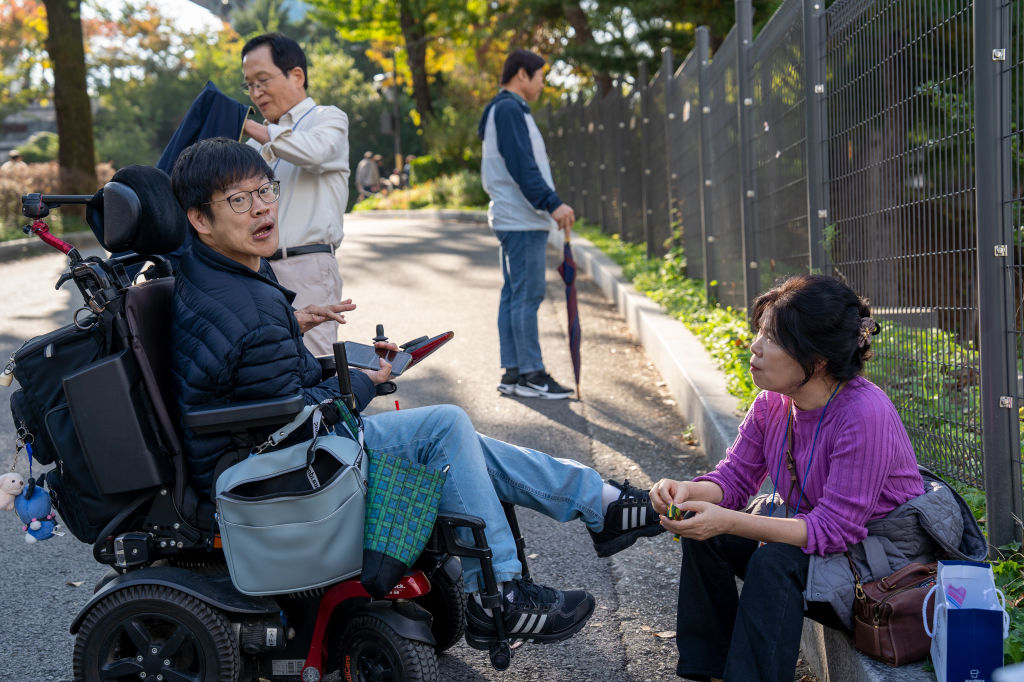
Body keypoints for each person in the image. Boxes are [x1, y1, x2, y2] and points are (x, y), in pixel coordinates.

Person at [168, 137, 666, 651]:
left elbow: (271, 383)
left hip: (261, 443)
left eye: (265, 191)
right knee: (445, 427)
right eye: (238, 200)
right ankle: (504, 591)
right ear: (201, 220)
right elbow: (288, 418)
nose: (261, 207)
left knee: (453, 439)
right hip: (263, 467)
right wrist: (364, 382)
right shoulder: (244, 299)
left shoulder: (223, 275)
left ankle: (597, 505)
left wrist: (342, 363)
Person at [648, 274, 985, 682]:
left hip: (880, 561)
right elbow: (734, 480)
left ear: (817, 358)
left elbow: (837, 529)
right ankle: (712, 672)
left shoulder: (864, 414)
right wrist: (685, 491)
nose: (755, 347)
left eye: (771, 338)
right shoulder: (772, 403)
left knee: (775, 560)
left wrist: (730, 519)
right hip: (821, 542)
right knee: (708, 537)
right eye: (759, 333)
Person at [241, 32, 349, 357]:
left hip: (306, 265)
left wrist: (248, 127)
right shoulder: (253, 146)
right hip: (258, 272)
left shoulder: (327, 119)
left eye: (262, 81)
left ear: (297, 75)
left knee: (316, 368)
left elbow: (315, 152)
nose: (256, 93)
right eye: (249, 85)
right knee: (273, 369)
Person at [479, 48, 576, 399]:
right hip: (520, 219)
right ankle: (532, 374)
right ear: (522, 74)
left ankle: (515, 373)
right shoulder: (508, 109)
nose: (542, 84)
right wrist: (552, 203)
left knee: (515, 294)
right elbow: (522, 165)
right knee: (527, 296)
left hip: (515, 217)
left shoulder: (504, 109)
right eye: (540, 76)